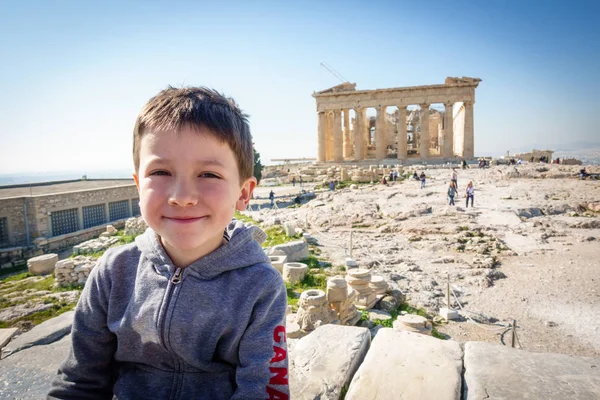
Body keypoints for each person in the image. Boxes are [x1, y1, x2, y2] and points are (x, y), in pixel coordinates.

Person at [48, 87, 289, 399]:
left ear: (243, 193)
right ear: (138, 185)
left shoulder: (260, 288)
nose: (182, 197)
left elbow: (263, 391)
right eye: (160, 172)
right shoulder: (113, 272)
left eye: (209, 174)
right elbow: (78, 383)